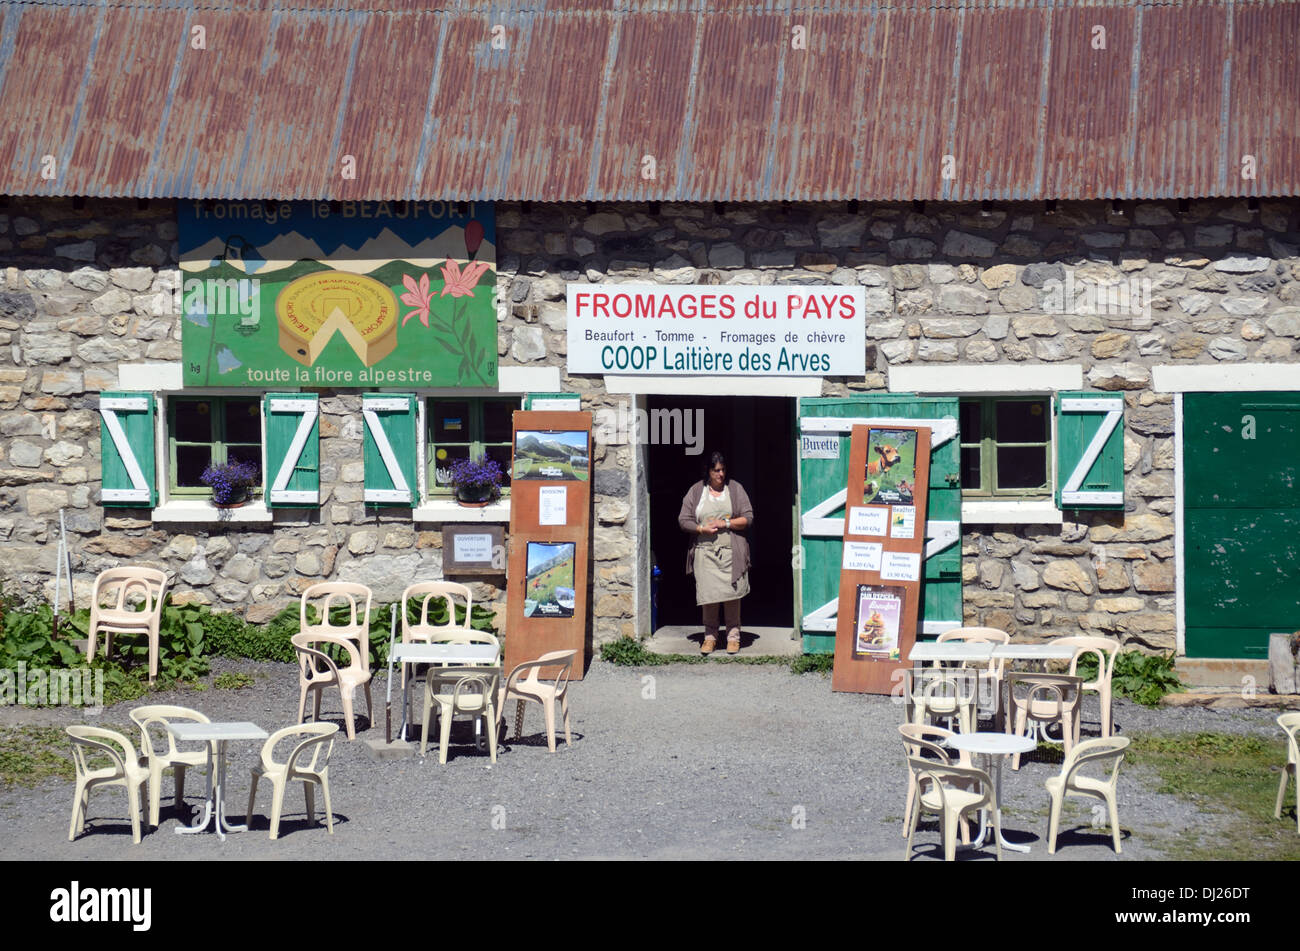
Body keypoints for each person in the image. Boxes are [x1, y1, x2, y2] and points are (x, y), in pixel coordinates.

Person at [678, 452, 754, 655]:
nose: (721, 474)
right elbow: (683, 520)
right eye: (716, 470)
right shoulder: (696, 491)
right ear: (708, 472)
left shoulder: (735, 489)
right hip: (705, 553)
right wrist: (701, 529)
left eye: (723, 470)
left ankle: (733, 637)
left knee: (732, 595)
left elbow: (748, 518)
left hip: (731, 551)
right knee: (709, 597)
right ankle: (710, 637)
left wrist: (725, 523)